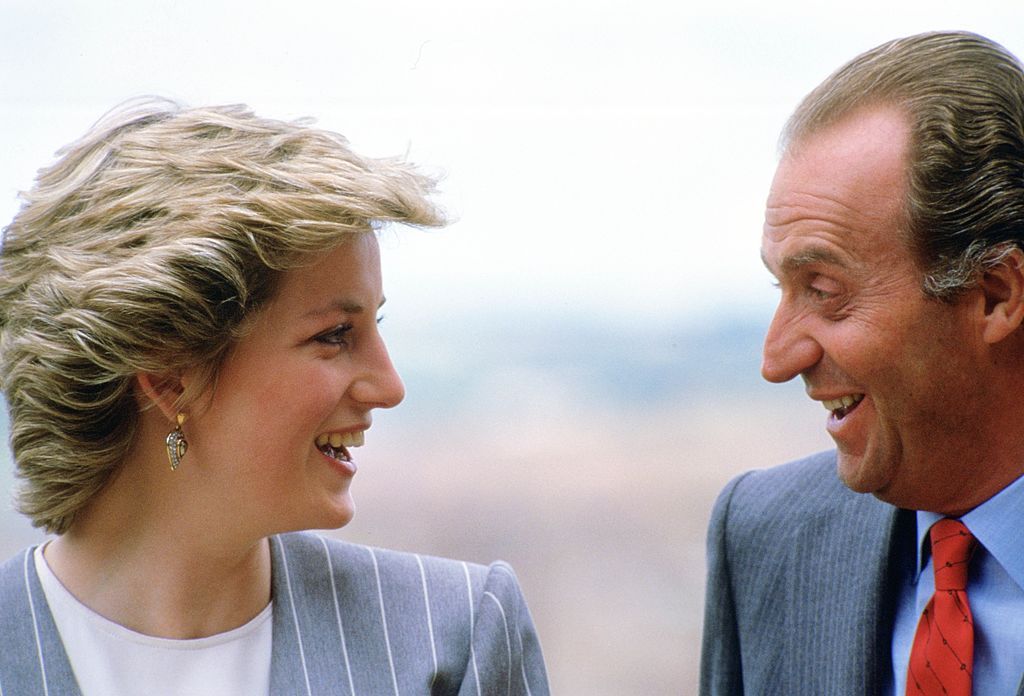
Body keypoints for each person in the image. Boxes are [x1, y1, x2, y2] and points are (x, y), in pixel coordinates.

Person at [0, 97, 549, 695]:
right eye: (335, 336)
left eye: (375, 329)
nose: (390, 388)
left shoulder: (453, 641)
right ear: (168, 375)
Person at [700, 31, 1024, 695]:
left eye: (823, 292)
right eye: (780, 289)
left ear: (996, 295)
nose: (778, 359)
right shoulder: (763, 538)